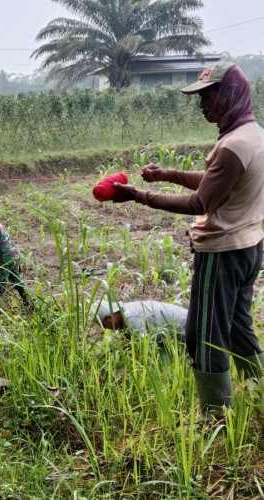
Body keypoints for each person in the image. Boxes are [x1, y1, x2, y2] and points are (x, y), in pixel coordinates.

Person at [112, 61, 264, 416]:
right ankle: (258, 391)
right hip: (249, 247)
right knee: (239, 325)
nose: (202, 105)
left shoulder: (233, 145)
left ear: (227, 94)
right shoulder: (252, 134)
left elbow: (201, 201)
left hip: (223, 253)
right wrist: (169, 174)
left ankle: (216, 417)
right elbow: (217, 181)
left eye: (207, 96)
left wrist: (136, 195)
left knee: (204, 335)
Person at [93, 299, 187, 343]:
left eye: (102, 324)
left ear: (108, 317)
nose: (104, 328)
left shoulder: (131, 317)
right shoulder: (126, 311)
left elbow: (142, 347)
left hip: (186, 327)